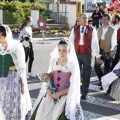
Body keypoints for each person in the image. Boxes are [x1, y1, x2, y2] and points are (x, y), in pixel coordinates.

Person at [30, 38, 84, 120]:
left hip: (64, 96)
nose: (61, 53)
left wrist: (59, 94)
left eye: (64, 50)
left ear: (69, 51)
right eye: (59, 50)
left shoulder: (72, 65)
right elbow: (49, 78)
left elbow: (73, 86)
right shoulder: (54, 61)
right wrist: (48, 89)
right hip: (51, 95)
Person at [0, 25, 32, 120]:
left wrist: (23, 84)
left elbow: (22, 67)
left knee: (13, 102)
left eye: (0, 36)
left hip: (13, 79)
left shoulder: (16, 47)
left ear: (6, 35)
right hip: (1, 81)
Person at [69, 13, 101, 100]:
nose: (86, 20)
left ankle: (84, 92)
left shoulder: (92, 29)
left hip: (87, 54)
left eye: (86, 18)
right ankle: (76, 90)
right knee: (76, 73)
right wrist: (69, 54)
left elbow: (94, 43)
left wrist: (97, 56)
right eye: (84, 18)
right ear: (79, 19)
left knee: (86, 74)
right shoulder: (74, 29)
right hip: (76, 54)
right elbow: (70, 42)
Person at [94, 13, 117, 89]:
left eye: (105, 19)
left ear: (109, 20)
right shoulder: (99, 29)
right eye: (103, 19)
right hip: (100, 50)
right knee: (96, 66)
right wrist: (96, 52)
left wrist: (111, 54)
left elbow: (114, 44)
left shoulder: (113, 30)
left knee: (107, 69)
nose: (103, 21)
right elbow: (96, 41)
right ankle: (101, 80)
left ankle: (104, 83)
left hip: (108, 51)